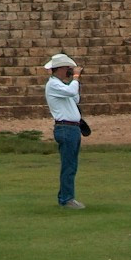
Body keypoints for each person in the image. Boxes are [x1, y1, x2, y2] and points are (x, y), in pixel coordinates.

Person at [43, 53, 84, 208]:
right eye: (68, 68)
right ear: (60, 69)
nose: (70, 71)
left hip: (72, 128)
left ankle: (66, 196)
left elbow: (75, 98)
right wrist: (75, 77)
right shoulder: (53, 84)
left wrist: (74, 81)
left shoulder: (60, 85)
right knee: (68, 165)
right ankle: (66, 198)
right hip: (65, 128)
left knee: (71, 164)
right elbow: (72, 92)